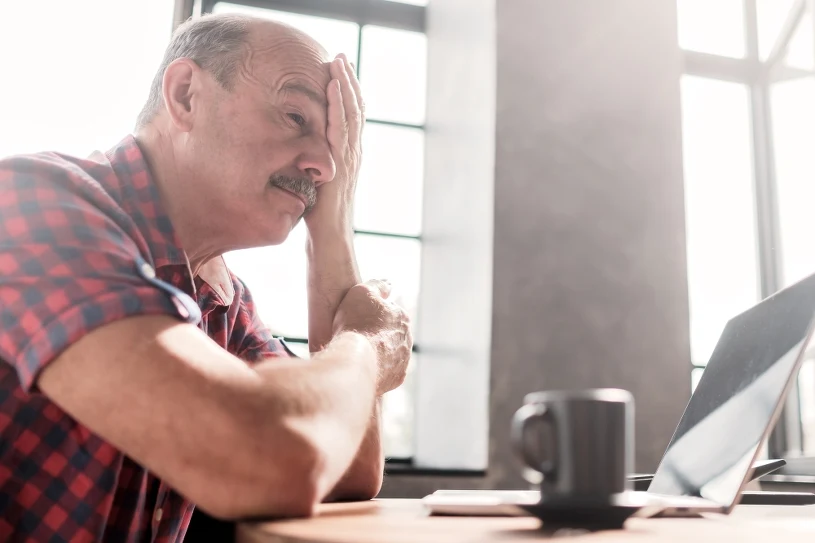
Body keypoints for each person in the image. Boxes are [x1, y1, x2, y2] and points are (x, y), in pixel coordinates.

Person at [0, 12, 412, 542]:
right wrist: (369, 344)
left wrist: (330, 231)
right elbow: (272, 461)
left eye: (333, 147)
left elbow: (348, 471)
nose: (326, 167)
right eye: (295, 116)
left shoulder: (220, 297)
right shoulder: (30, 206)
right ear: (186, 96)